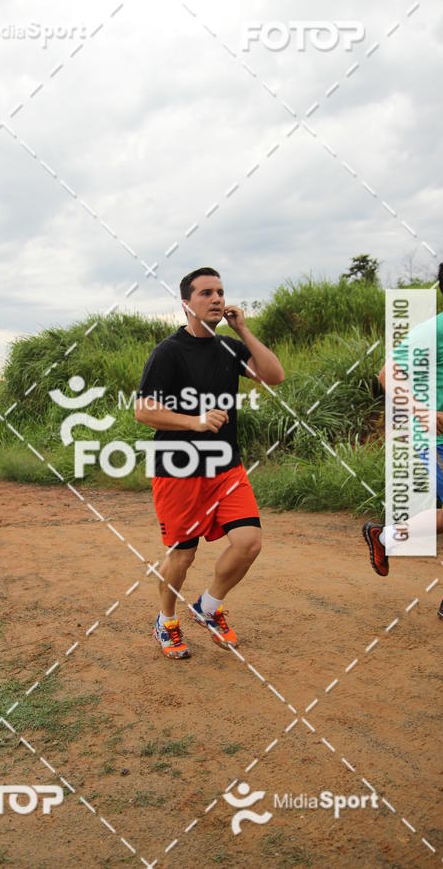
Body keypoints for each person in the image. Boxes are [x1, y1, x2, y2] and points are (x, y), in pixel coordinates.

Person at [135, 267, 285, 659]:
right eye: (206, 293)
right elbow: (144, 410)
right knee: (183, 556)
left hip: (226, 466)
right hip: (178, 468)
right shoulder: (169, 351)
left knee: (249, 543)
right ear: (186, 303)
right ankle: (166, 621)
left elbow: (274, 375)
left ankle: (208, 606)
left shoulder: (229, 349)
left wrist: (244, 332)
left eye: (220, 291)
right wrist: (195, 422)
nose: (217, 298)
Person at [362, 257, 443, 624]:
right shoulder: (435, 330)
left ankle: (385, 537)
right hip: (437, 439)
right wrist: (421, 412)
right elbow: (388, 374)